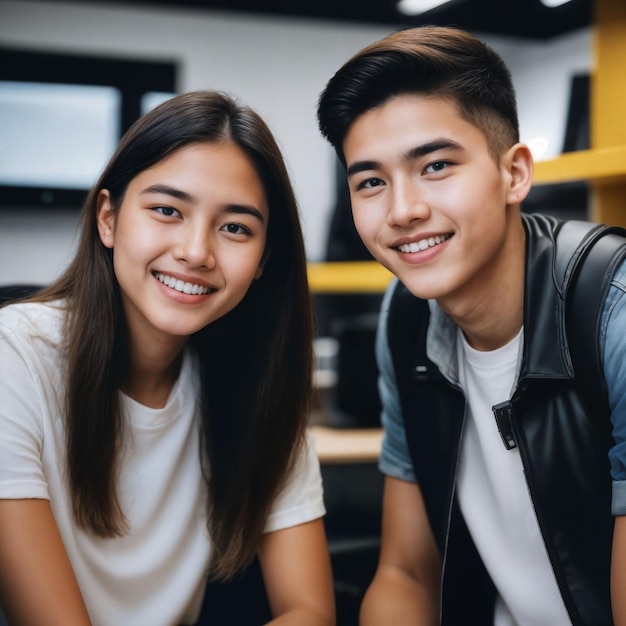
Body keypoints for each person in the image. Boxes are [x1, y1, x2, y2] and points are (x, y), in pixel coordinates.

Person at [316, 26, 626, 625]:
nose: (402, 210)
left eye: (435, 166)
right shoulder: (404, 321)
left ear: (514, 174)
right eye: (371, 182)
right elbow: (406, 574)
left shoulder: (611, 312)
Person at [0, 90, 335, 626]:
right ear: (108, 219)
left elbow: (309, 610)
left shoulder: (258, 386)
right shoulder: (14, 355)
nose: (196, 251)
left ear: (264, 258)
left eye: (235, 228)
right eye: (166, 210)